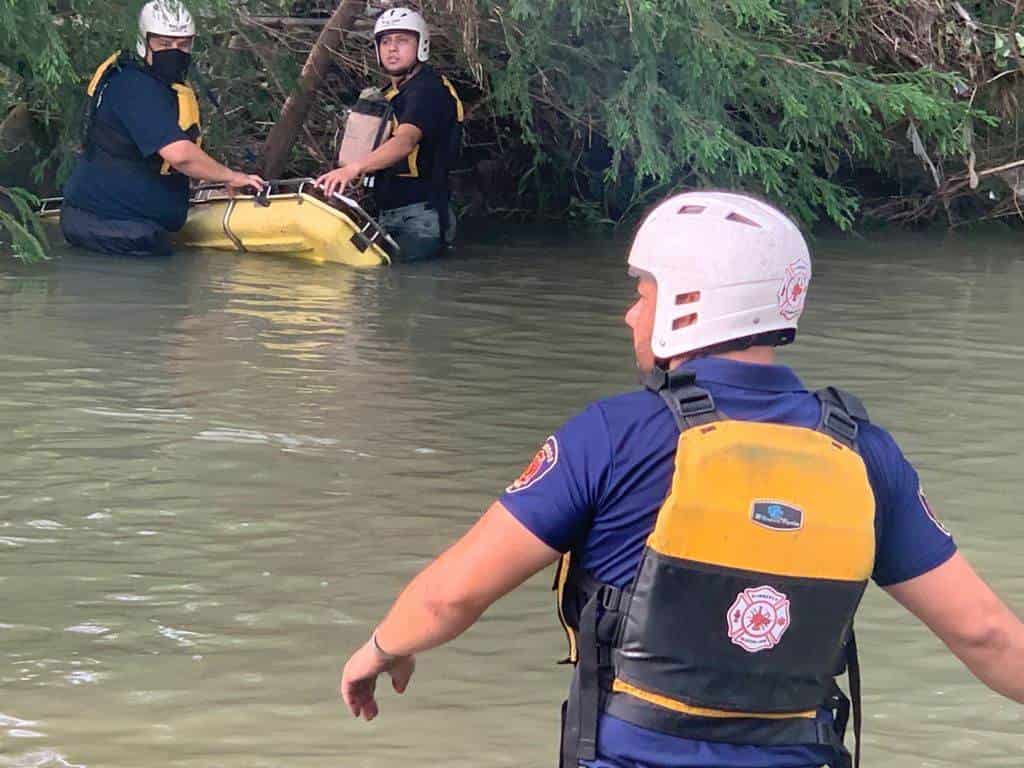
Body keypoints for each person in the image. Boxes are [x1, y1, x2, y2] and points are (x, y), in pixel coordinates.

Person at [337, 190, 1024, 767]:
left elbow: (451, 598)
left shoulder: (613, 434)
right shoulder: (866, 453)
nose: (630, 313)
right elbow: (986, 635)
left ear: (692, 302)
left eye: (644, 293)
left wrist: (378, 649)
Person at [60, 0, 264, 257]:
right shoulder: (134, 86)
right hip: (113, 228)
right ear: (144, 41)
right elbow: (179, 155)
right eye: (164, 44)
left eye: (183, 44)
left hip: (127, 227)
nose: (175, 52)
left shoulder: (159, 84)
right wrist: (231, 176)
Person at [315, 8, 463, 262]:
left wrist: (353, 169)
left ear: (421, 45)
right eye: (386, 41)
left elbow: (405, 141)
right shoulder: (393, 92)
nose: (392, 49)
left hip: (420, 219)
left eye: (402, 41)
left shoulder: (427, 90)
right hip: (389, 213)